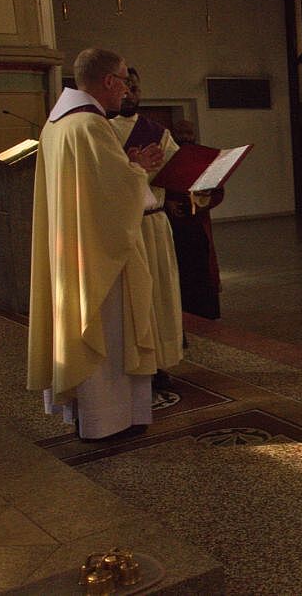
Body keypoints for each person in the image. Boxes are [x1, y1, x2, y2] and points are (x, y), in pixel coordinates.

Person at [27, 48, 162, 440]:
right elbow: (115, 195)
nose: (127, 89)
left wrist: (129, 167)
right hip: (100, 258)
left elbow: (95, 185)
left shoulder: (57, 124)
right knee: (109, 334)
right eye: (124, 80)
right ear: (108, 81)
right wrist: (139, 170)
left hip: (74, 250)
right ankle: (109, 420)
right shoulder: (90, 126)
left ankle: (89, 416)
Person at [110, 67, 183, 388]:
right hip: (122, 227)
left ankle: (160, 360)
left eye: (136, 88)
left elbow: (178, 172)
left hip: (154, 224)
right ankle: (133, 360)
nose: (131, 94)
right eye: (126, 87)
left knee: (161, 293)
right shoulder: (99, 130)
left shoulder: (158, 132)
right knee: (132, 298)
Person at [165, 120, 226, 320]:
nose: (185, 135)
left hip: (198, 223)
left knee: (201, 267)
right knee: (179, 267)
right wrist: (168, 202)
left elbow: (217, 190)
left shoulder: (204, 159)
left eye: (188, 132)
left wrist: (204, 200)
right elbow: (157, 185)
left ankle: (206, 311)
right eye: (180, 132)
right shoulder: (167, 156)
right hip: (173, 224)